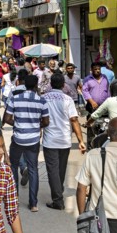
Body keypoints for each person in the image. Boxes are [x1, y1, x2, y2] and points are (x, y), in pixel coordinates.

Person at [3, 75, 49, 212]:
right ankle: (33, 204)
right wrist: (35, 125)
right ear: (35, 86)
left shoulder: (15, 99)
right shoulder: (41, 101)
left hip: (18, 138)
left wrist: (17, 124)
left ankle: (14, 200)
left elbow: (6, 118)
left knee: (13, 167)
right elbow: (46, 122)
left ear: (23, 85)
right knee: (33, 169)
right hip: (33, 139)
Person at [42, 73, 86, 210]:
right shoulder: (68, 99)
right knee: (61, 169)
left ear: (50, 84)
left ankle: (58, 200)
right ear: (63, 85)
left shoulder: (43, 98)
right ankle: (58, 193)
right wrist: (81, 140)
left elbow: (40, 119)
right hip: (65, 140)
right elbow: (74, 120)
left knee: (52, 170)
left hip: (50, 140)